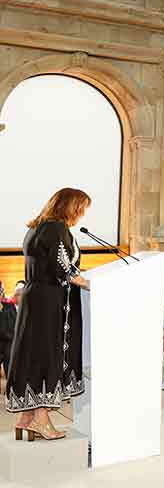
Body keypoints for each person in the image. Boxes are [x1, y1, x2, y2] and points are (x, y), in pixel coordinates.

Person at [7, 188, 93, 440]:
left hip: (36, 299)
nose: (82, 214)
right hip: (50, 302)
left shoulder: (36, 228)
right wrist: (90, 283)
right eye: (82, 207)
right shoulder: (56, 229)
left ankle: (27, 418)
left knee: (34, 353)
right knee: (48, 353)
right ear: (70, 206)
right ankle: (42, 420)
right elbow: (63, 267)